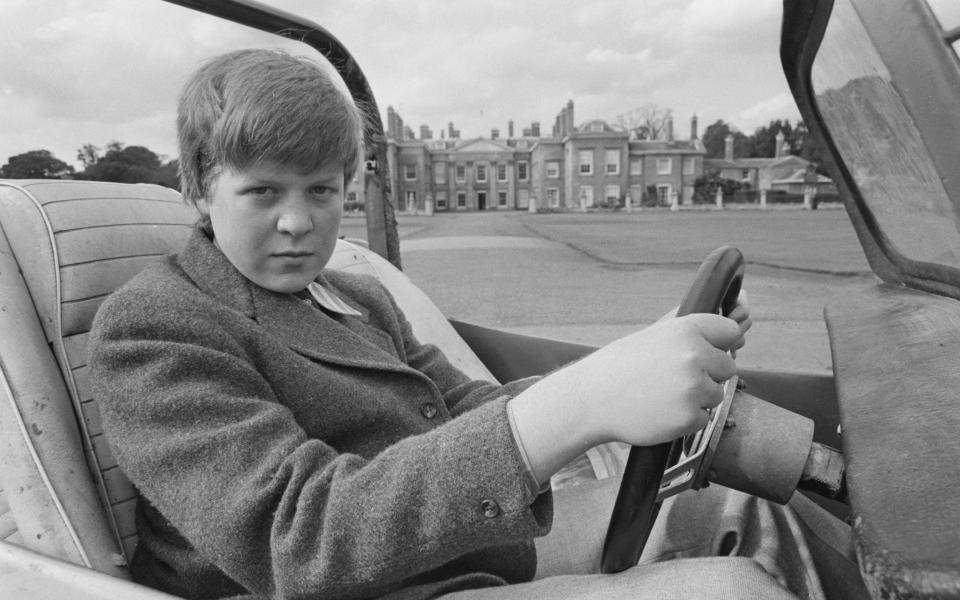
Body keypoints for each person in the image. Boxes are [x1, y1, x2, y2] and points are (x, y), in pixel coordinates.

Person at [89, 48, 865, 600]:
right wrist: (579, 406)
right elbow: (297, 543)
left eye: (323, 191)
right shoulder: (155, 329)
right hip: (355, 588)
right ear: (196, 189)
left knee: (745, 500)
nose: (298, 222)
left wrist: (632, 361)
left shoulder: (357, 298)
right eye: (262, 193)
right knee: (727, 593)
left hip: (449, 550)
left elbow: (465, 408)